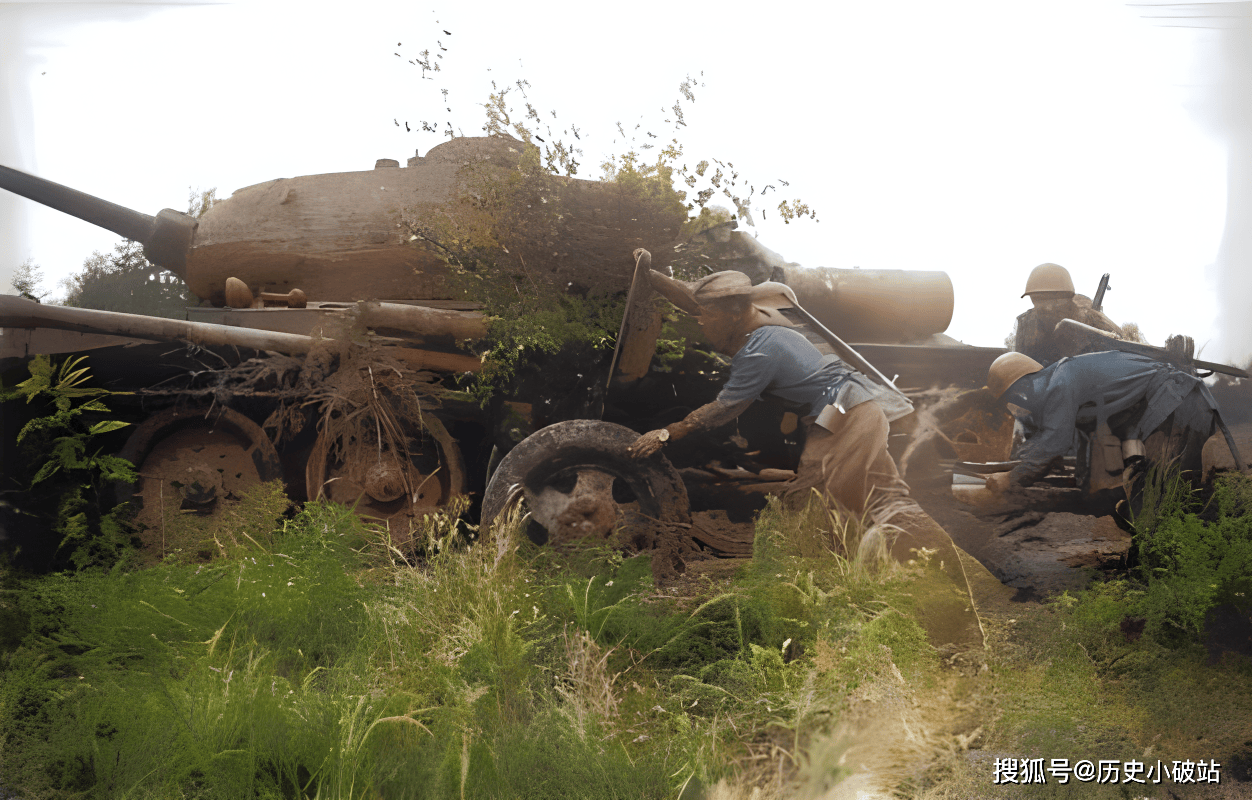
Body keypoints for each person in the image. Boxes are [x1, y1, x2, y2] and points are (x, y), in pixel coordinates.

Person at [628, 269, 985, 655]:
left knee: (828, 508)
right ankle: (870, 616)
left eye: (706, 316)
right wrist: (649, 273)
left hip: (846, 411)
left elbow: (722, 409)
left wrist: (666, 433)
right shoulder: (765, 326)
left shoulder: (760, 349)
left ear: (733, 312)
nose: (700, 324)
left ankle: (838, 626)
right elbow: (696, 298)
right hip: (851, 409)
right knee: (838, 506)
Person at [982, 350, 1237, 497]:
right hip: (1180, 402)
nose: (1018, 406)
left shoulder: (1061, 383)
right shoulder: (1066, 381)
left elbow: (1054, 442)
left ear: (1025, 384)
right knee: (1165, 491)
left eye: (1015, 398)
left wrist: (1011, 479)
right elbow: (1055, 441)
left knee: (1167, 493)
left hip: (1178, 402)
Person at [1013, 263, 1125, 366]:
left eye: (1054, 299)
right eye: (1038, 298)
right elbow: (1020, 367)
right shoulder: (1026, 323)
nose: (1047, 307)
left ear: (1067, 297)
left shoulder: (1089, 317)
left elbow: (1119, 347)